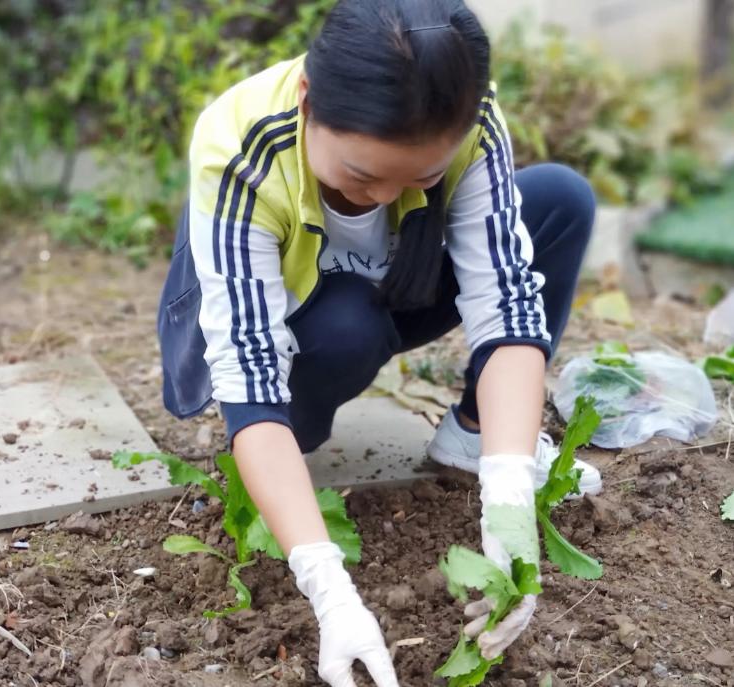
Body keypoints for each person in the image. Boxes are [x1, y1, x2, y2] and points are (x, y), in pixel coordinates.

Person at [157, 0, 603, 684]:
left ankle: (468, 432)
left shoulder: (469, 119)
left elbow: (506, 308)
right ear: (307, 100)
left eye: (420, 178)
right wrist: (328, 589)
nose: (385, 197)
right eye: (362, 177)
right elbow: (249, 376)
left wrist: (507, 498)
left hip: (397, 281)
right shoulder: (241, 143)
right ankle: (290, 453)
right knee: (342, 331)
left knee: (559, 200)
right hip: (308, 317)